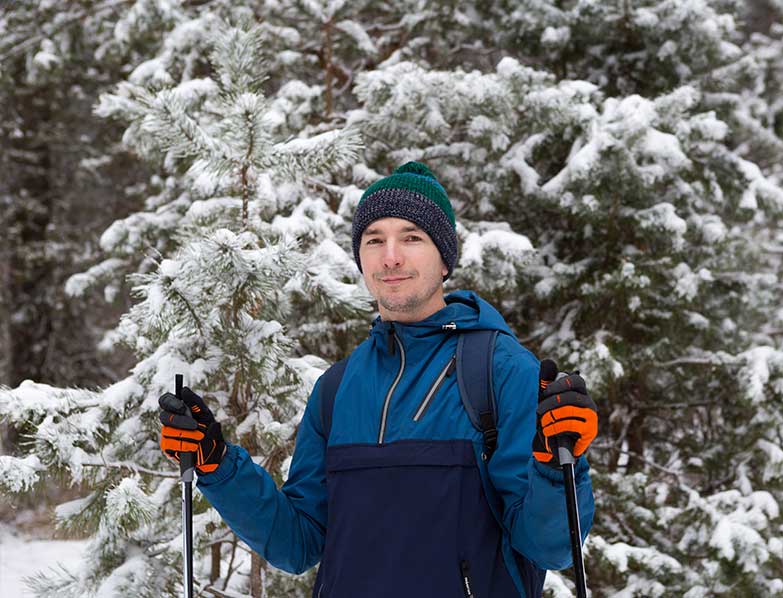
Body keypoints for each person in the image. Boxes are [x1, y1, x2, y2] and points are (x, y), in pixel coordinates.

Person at [159, 161, 597, 598]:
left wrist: (559, 468)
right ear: (361, 258)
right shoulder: (337, 388)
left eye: (411, 237)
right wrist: (216, 463)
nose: (391, 257)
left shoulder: (499, 371)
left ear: (445, 259)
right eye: (375, 240)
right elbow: (299, 542)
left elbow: (550, 546)